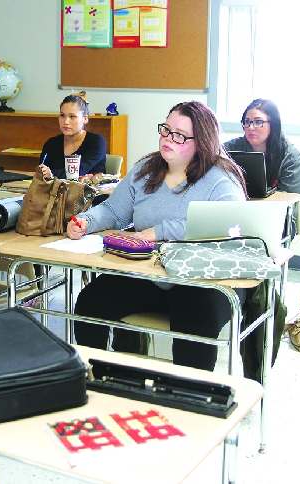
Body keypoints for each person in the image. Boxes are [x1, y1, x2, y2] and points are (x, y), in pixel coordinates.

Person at [67, 101, 247, 371]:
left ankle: (187, 394)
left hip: (202, 279)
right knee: (91, 300)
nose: (168, 139)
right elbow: (115, 212)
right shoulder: (145, 170)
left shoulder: (221, 178)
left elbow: (224, 225)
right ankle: (98, 376)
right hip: (152, 273)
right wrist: (86, 221)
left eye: (179, 135)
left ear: (202, 141)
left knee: (196, 315)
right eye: (166, 129)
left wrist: (158, 231)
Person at [223, 98, 300, 236]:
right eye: (247, 122)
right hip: (237, 212)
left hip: (278, 220)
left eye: (258, 122)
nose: (250, 127)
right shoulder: (229, 149)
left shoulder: (292, 158)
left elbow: (286, 204)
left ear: (273, 124)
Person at [38, 91, 106, 179]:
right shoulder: (51, 143)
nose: (66, 122)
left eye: (72, 116)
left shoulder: (97, 141)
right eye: (62, 115)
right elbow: (42, 172)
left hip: (90, 191)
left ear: (85, 119)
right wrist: (43, 172)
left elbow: (79, 170)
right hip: (56, 191)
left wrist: (52, 174)